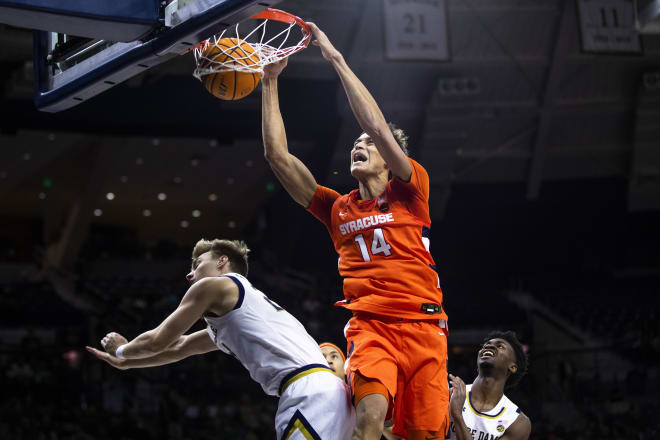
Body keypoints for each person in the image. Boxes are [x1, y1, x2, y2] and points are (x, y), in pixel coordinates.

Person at [261, 22, 449, 440]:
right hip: (370, 328)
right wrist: (270, 82)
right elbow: (277, 157)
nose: (358, 145)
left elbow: (380, 128)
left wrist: (336, 58)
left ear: (388, 158)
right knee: (367, 422)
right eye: (354, 143)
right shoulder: (337, 208)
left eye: (367, 144)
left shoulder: (410, 190)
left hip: (424, 328)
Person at [86, 238, 355, 440]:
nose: (189, 274)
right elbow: (179, 348)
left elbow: (159, 340)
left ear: (222, 262)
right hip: (330, 392)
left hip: (307, 390)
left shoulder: (217, 285)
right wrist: (129, 365)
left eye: (197, 264)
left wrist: (123, 350)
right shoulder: (242, 313)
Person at [448, 331, 532, 440]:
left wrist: (457, 416)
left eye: (500, 346)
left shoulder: (517, 422)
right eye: (486, 345)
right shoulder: (450, 394)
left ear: (512, 367)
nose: (489, 345)